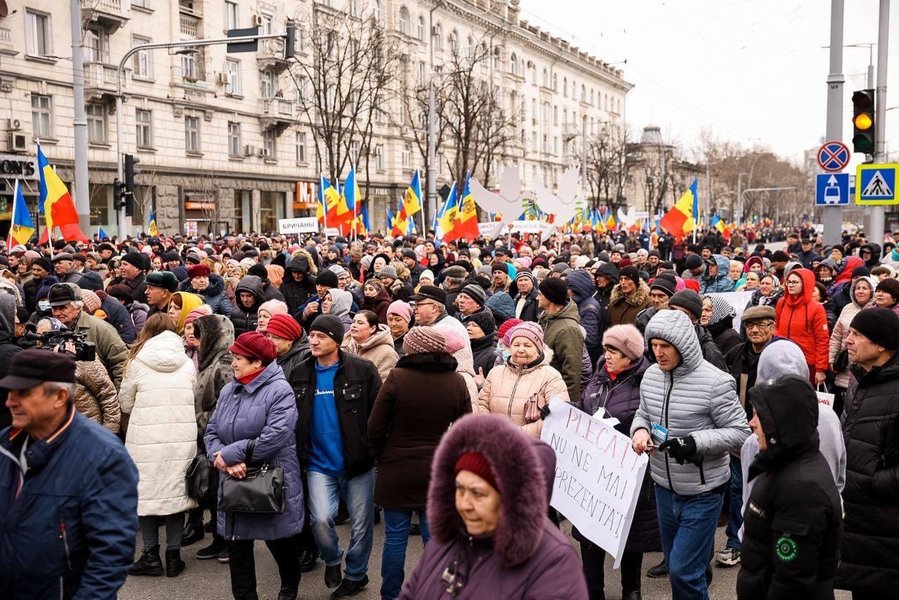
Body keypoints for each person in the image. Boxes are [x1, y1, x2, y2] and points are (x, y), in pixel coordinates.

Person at [398, 413, 588, 599]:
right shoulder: (448, 536)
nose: (464, 505)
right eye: (460, 489)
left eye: (477, 493)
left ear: (511, 498)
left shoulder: (554, 563)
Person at [631, 309, 750, 600]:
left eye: (665, 347)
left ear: (683, 346)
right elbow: (642, 414)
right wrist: (639, 432)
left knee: (685, 571)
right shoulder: (650, 376)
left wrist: (695, 442)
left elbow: (741, 432)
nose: (658, 353)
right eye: (654, 346)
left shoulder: (716, 382)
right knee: (677, 569)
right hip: (662, 487)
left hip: (703, 492)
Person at [0, 350, 139, 598]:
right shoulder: (5, 445)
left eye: (23, 393)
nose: (10, 401)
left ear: (60, 396)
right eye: (10, 392)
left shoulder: (104, 456)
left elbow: (110, 557)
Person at [367, 327, 472, 600]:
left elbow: (375, 427)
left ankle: (391, 594)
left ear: (412, 349)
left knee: (395, 539)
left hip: (397, 468)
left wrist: (382, 455)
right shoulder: (456, 381)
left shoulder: (397, 377)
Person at [204, 331, 304, 600]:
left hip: (269, 479)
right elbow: (211, 431)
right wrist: (222, 460)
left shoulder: (280, 390)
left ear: (257, 362)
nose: (233, 362)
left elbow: (275, 436)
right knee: (238, 549)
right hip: (233, 478)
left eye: (238, 358)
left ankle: (290, 583)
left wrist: (233, 455)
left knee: (279, 541)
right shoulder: (229, 390)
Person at [291, 314, 382, 598]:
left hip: (357, 463)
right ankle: (332, 558)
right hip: (317, 463)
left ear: (337, 340)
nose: (313, 341)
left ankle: (355, 574)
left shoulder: (362, 369)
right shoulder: (299, 372)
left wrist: (371, 449)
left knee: (362, 524)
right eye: (311, 335)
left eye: (321, 336)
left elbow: (378, 414)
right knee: (319, 519)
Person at [737, 375, 843, 599]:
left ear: (782, 422)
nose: (751, 422)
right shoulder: (783, 461)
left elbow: (792, 582)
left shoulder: (802, 489)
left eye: (759, 415)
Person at [578, 325, 657, 600]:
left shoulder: (646, 381)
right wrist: (557, 409)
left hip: (627, 472)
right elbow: (582, 408)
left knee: (630, 534)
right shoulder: (598, 378)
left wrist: (631, 433)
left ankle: (631, 590)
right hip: (593, 470)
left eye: (614, 351)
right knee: (589, 531)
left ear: (630, 355)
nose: (607, 355)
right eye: (606, 349)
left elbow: (650, 422)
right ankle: (592, 590)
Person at [119, 313, 198, 578]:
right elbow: (194, 397)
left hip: (146, 439)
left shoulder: (136, 362)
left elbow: (125, 403)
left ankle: (150, 555)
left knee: (146, 495)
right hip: (181, 436)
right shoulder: (187, 363)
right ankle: (174, 557)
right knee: (176, 494)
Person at [836, 308, 899, 598]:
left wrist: (873, 480)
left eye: (857, 334)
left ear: (882, 344)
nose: (847, 339)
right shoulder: (859, 380)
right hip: (858, 519)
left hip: (887, 524)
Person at [190, 314, 236, 562]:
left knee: (224, 493)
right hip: (206, 438)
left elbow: (226, 405)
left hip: (221, 440)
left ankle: (229, 541)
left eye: (200, 335)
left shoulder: (225, 362)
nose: (196, 341)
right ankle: (219, 538)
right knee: (214, 493)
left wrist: (203, 422)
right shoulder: (208, 361)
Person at [478, 321, 569, 438]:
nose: (521, 350)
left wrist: (515, 434)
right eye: (516, 345)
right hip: (493, 442)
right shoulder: (495, 373)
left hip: (529, 447)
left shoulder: (551, 376)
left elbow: (557, 415)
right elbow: (481, 404)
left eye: (527, 345)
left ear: (538, 349)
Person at [34, 317, 120, 433]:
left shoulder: (81, 359)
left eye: (45, 336)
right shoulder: (36, 361)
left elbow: (107, 393)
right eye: (38, 336)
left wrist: (110, 430)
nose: (40, 341)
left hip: (89, 432)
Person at [47, 283, 129, 388]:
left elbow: (121, 363)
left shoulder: (100, 328)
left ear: (77, 307)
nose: (57, 313)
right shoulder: (49, 329)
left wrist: (118, 398)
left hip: (100, 394)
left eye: (62, 308)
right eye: (54, 308)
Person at [829, 276, 876, 415]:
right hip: (845, 364)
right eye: (857, 288)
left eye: (864, 288)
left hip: (866, 366)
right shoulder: (847, 309)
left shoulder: (876, 311)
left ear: (872, 291)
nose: (860, 291)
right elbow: (836, 337)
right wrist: (831, 359)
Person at [775, 268, 829, 385]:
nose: (791, 285)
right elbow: (777, 329)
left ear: (805, 283)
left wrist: (820, 369)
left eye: (795, 282)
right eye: (789, 282)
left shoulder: (816, 308)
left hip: (806, 362)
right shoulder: (781, 303)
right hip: (783, 359)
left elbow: (822, 340)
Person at [537, 277, 583, 402]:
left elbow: (572, 374)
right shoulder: (547, 319)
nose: (537, 297)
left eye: (540, 294)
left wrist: (566, 406)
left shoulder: (568, 329)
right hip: (543, 391)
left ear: (550, 298)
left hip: (556, 397)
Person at [341, 310, 398, 384]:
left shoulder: (387, 353)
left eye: (360, 323)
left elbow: (384, 387)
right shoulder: (345, 346)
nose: (354, 325)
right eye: (353, 322)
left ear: (372, 329)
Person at [566, 269, 603, 365]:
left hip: (586, 358)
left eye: (570, 288)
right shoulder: (579, 303)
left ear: (577, 288)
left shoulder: (588, 308)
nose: (568, 291)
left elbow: (589, 340)